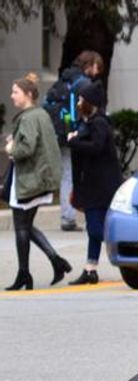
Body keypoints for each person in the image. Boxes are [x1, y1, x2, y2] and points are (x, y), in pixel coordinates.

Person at [4, 74, 72, 290]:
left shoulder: (29, 118)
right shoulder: (40, 114)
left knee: (21, 228)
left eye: (15, 92)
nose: (12, 96)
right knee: (25, 226)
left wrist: (10, 148)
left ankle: (25, 274)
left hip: (30, 180)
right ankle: (56, 262)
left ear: (28, 94)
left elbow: (27, 148)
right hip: (39, 179)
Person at [65, 82, 121, 286]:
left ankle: (122, 249)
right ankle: (90, 269)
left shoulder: (99, 123)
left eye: (81, 100)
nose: (79, 103)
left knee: (95, 229)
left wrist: (73, 141)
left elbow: (96, 147)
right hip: (93, 186)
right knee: (93, 229)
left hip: (100, 187)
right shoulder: (88, 123)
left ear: (90, 103)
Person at [46, 50, 105, 231]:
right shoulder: (84, 84)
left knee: (66, 173)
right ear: (89, 65)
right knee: (76, 174)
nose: (98, 71)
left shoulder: (64, 79)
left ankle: (67, 216)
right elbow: (84, 111)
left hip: (58, 132)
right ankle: (73, 216)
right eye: (97, 66)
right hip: (75, 134)